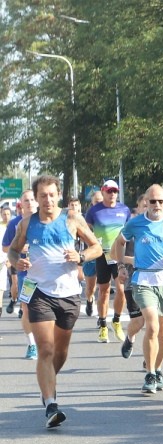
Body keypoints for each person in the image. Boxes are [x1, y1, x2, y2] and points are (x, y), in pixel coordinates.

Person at [6, 175, 102, 427]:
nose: (47, 200)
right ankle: (51, 404)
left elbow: (97, 248)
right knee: (46, 349)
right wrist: (18, 261)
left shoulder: (72, 220)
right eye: (42, 196)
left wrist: (80, 256)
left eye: (51, 195)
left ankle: (45, 383)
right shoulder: (27, 224)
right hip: (38, 293)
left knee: (61, 352)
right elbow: (14, 250)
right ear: (36, 198)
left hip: (69, 294)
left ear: (58, 195)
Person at [115, 184, 163, 394]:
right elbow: (119, 243)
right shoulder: (136, 223)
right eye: (153, 201)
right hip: (143, 279)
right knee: (152, 325)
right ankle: (149, 374)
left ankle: (157, 369)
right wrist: (121, 266)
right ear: (146, 201)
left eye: (161, 201)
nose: (157, 205)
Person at [84, 179, 132, 343]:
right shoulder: (94, 211)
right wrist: (91, 245)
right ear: (103, 191)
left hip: (119, 255)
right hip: (102, 255)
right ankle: (103, 325)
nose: (112, 194)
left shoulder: (124, 210)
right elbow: (85, 230)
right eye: (109, 191)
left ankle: (116, 321)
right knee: (103, 290)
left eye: (115, 191)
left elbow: (129, 231)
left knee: (121, 289)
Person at [3, 190, 40, 358]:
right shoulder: (15, 224)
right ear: (21, 204)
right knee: (26, 308)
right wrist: (19, 248)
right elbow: (5, 248)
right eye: (27, 200)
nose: (30, 202)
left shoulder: (46, 221)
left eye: (33, 199)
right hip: (26, 272)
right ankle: (31, 344)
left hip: (47, 273)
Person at [115, 193, 148, 359]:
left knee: (154, 324)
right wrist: (129, 261)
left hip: (155, 283)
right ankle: (130, 337)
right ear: (139, 207)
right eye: (145, 205)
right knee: (139, 322)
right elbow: (115, 252)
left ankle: (151, 361)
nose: (149, 208)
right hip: (133, 280)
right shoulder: (131, 227)